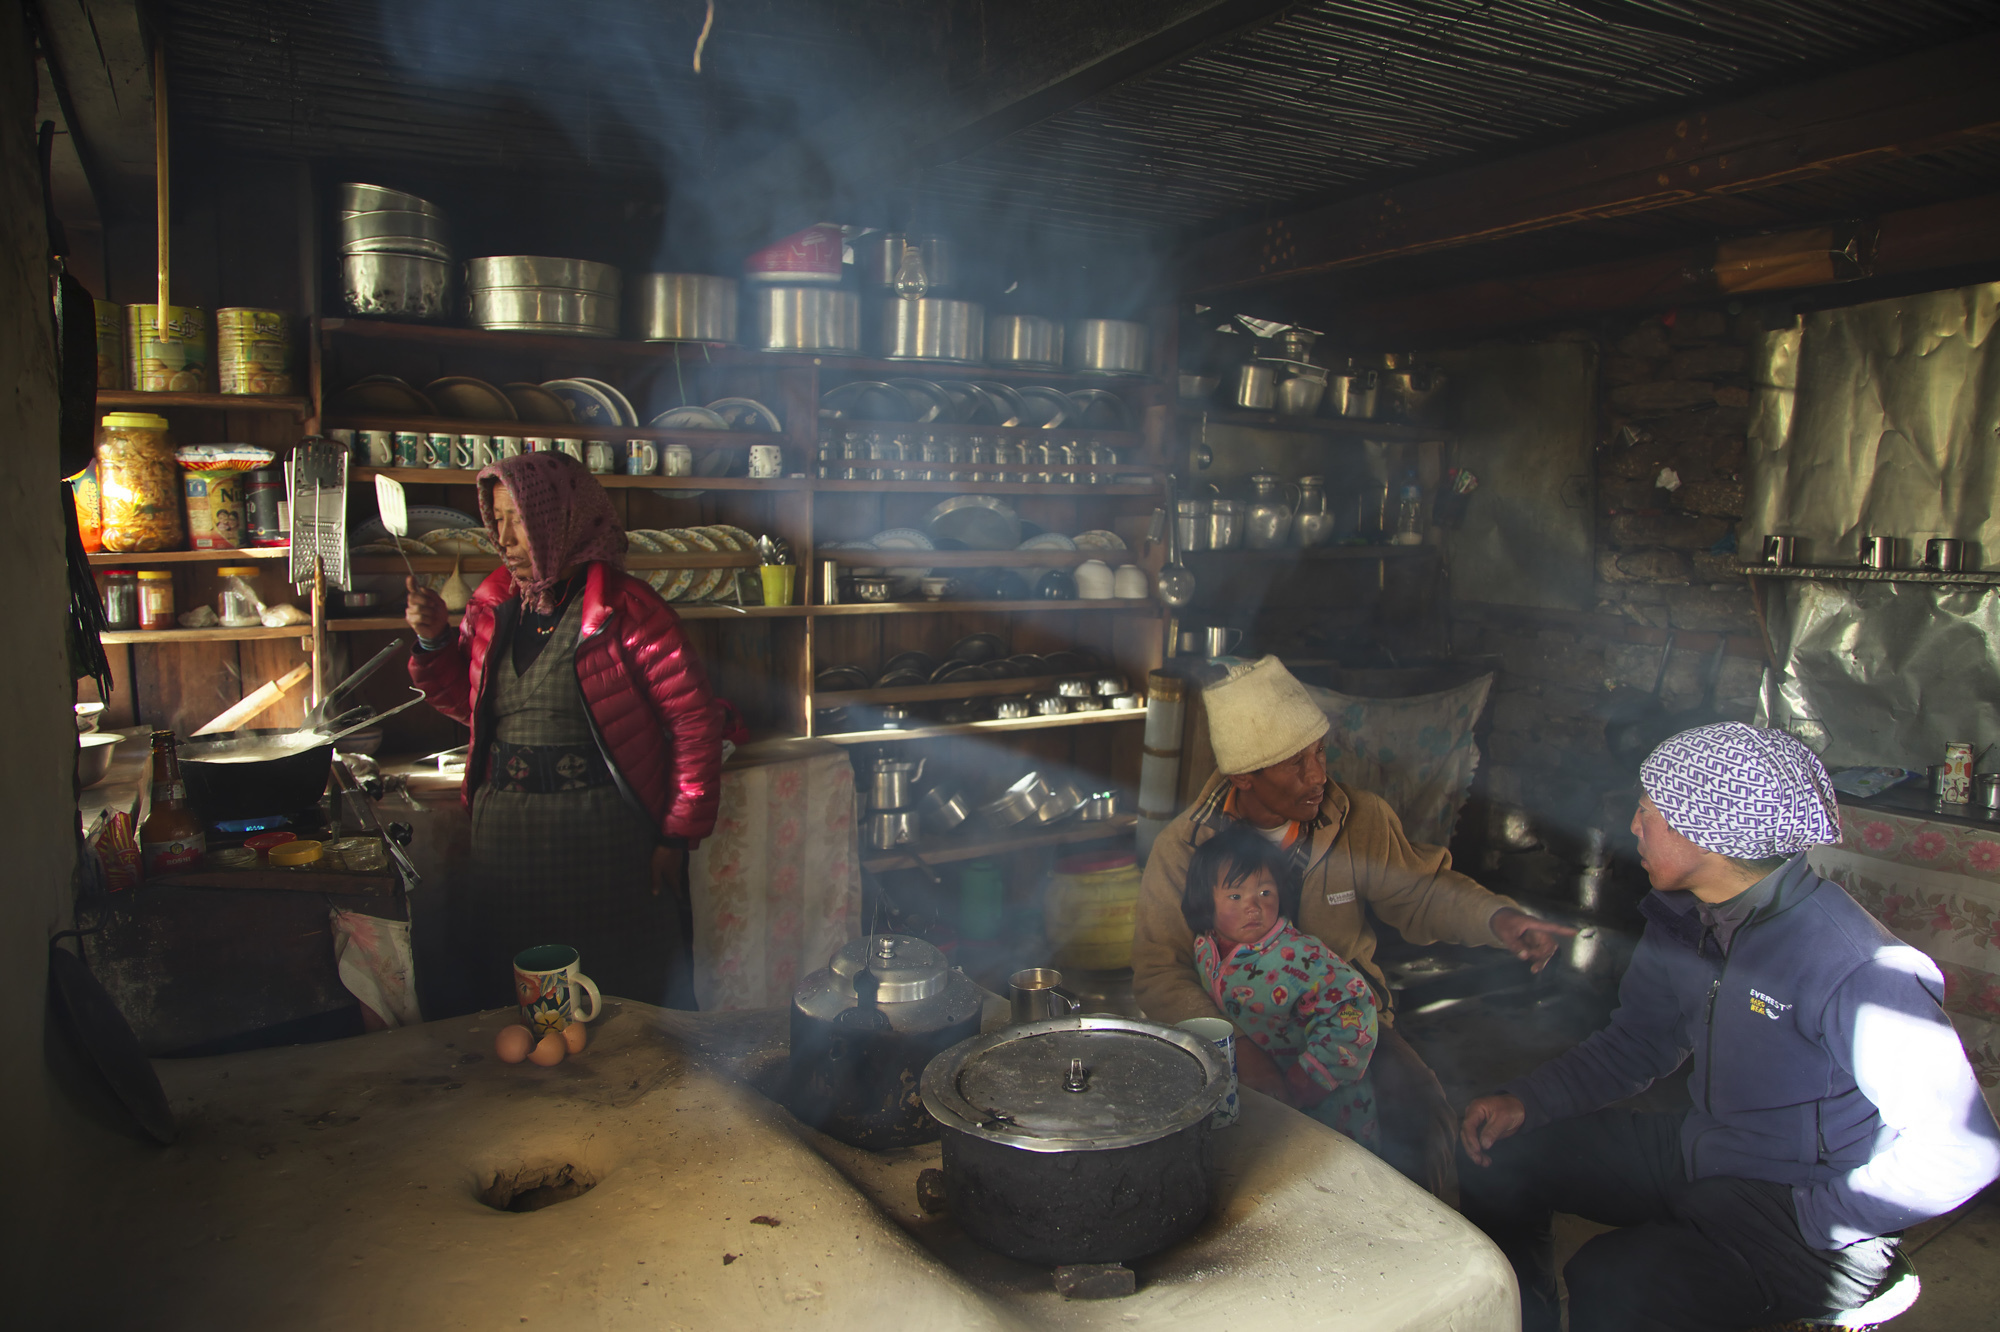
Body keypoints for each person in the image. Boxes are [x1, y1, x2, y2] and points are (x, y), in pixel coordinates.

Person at [1457, 722, 2000, 1332]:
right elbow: (1640, 1041)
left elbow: (1963, 1152)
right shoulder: (1688, 918)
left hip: (1803, 1212)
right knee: (1502, 1160)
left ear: (1709, 834)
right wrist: (1528, 1102)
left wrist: (1819, 1216)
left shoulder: (1858, 969)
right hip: (1708, 1150)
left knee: (1614, 1281)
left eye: (1648, 811)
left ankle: (1851, 1294)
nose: (1633, 826)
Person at [1133, 655, 1575, 1200]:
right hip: (1230, 1038)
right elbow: (1160, 970)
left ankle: (1432, 1265)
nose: (1318, 775)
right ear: (1244, 776)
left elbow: (1421, 891)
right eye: (1294, 764)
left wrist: (1498, 918)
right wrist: (1238, 1048)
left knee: (1423, 1123)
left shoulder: (1357, 819)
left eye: (1319, 751)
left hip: (1346, 1026)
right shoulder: (1184, 848)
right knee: (1253, 1174)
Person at [405, 452, 728, 1013]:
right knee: (517, 1001)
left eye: (519, 520)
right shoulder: (491, 606)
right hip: (505, 839)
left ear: (562, 520)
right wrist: (434, 643)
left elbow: (694, 723)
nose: (502, 538)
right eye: (496, 518)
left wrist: (676, 837)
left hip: (602, 840)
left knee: (620, 999)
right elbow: (472, 705)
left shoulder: (628, 611)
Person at [1184, 822, 1380, 1146]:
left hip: (1329, 1114)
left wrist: (1306, 1078)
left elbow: (1354, 1004)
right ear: (1205, 902)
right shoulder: (1207, 947)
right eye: (1235, 895)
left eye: (1265, 892)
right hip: (1270, 1112)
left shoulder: (1298, 956)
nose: (1254, 906)